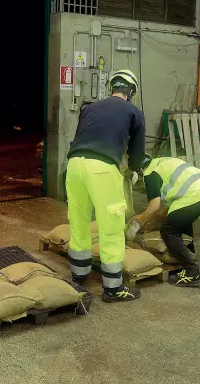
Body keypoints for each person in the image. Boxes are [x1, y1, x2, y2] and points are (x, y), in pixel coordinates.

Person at [66, 69, 145, 302]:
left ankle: (78, 275)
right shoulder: (133, 112)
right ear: (130, 92)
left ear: (112, 88)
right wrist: (134, 170)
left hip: (74, 165)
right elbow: (137, 152)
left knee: (79, 219)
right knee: (111, 225)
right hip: (101, 168)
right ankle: (113, 288)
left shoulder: (89, 108)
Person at [126, 155, 200, 287]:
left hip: (196, 193)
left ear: (139, 171)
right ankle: (188, 254)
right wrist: (161, 217)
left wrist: (137, 225)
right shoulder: (164, 161)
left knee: (169, 231)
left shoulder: (150, 174)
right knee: (181, 220)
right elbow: (173, 199)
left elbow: (154, 207)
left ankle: (192, 273)